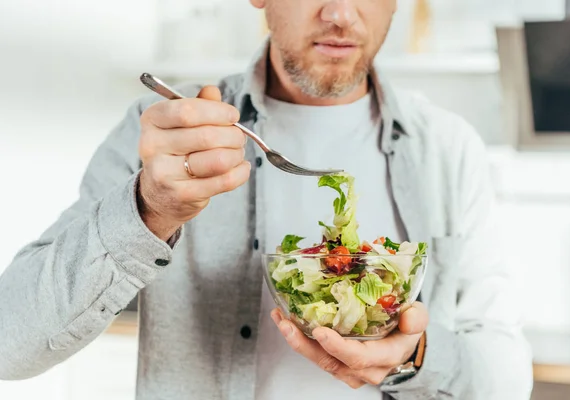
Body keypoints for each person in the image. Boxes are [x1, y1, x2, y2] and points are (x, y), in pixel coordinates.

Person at [0, 0, 533, 399]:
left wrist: (415, 356)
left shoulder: (448, 147)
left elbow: (505, 375)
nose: (341, 13)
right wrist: (151, 209)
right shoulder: (169, 134)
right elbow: (10, 343)